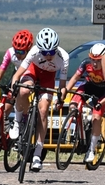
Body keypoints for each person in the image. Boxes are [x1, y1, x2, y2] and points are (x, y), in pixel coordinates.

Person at [12, 28, 68, 172]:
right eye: (44, 52)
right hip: (33, 71)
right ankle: (17, 121)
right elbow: (18, 74)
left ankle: (37, 154)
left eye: (51, 52)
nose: (48, 56)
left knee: (43, 111)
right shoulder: (34, 51)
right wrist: (14, 84)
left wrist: (60, 98)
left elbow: (62, 86)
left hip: (48, 78)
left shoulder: (64, 57)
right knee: (24, 90)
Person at [64, 42, 105, 164]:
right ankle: (75, 128)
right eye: (93, 60)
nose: (94, 63)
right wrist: (65, 92)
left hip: (104, 91)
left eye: (98, 61)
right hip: (89, 87)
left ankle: (91, 150)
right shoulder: (85, 64)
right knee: (73, 104)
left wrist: (101, 103)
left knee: (96, 118)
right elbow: (75, 78)